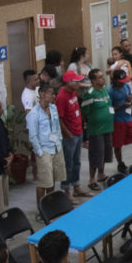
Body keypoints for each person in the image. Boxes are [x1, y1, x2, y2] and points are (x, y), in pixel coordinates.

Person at [26, 83, 66, 205]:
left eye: (54, 93)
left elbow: (57, 126)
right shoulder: (33, 114)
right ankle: (41, 208)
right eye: (51, 93)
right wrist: (40, 152)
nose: (54, 96)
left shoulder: (53, 108)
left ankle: (50, 204)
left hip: (56, 147)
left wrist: (59, 141)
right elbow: (33, 136)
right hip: (44, 151)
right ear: (42, 94)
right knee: (43, 182)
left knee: (52, 179)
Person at [55, 70, 92, 203]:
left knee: (77, 162)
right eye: (76, 81)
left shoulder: (73, 92)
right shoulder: (61, 97)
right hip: (69, 136)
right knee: (68, 164)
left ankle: (76, 187)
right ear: (68, 82)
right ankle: (66, 191)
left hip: (78, 132)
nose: (79, 83)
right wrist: (68, 133)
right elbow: (59, 119)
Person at [81, 68, 114, 190]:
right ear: (93, 80)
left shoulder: (104, 89)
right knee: (96, 153)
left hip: (107, 127)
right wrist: (86, 123)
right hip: (96, 129)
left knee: (104, 151)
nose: (103, 78)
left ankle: (101, 174)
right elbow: (84, 111)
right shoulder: (89, 93)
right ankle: (91, 179)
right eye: (100, 77)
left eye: (102, 76)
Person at [109, 69, 132, 172]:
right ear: (115, 80)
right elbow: (109, 109)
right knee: (118, 145)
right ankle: (120, 164)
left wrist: (130, 99)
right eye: (121, 82)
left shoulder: (126, 86)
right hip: (118, 121)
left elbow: (131, 99)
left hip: (129, 119)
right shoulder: (110, 91)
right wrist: (121, 106)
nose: (123, 84)